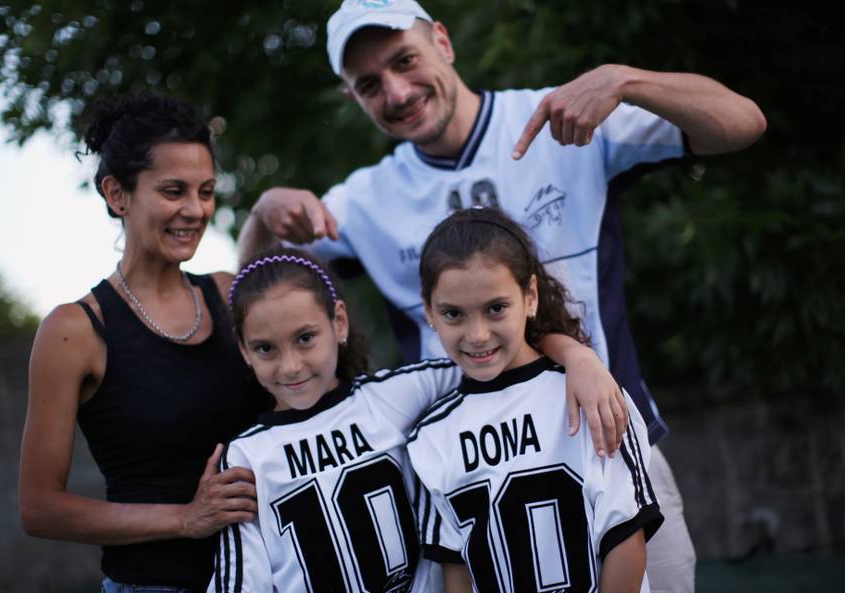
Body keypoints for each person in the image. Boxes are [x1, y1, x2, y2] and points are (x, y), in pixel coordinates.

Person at [239, 2, 767, 591]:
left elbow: (742, 123)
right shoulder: (365, 200)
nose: (396, 90)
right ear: (352, 97)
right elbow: (259, 297)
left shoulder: (559, 118)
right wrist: (263, 215)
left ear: (443, 41)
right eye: (369, 84)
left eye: (404, 60)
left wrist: (625, 79)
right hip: (469, 484)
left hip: (610, 447)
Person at [19, 93, 262, 593]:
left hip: (267, 575)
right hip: (156, 584)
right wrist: (186, 519)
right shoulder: (74, 330)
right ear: (117, 194)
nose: (195, 210)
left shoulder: (224, 291)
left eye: (207, 191)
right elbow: (40, 508)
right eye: (174, 191)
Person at [408, 207, 661, 593]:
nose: (477, 335)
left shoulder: (590, 395)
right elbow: (456, 569)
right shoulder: (431, 435)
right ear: (429, 312)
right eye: (453, 314)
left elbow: (625, 538)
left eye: (495, 308)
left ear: (530, 296)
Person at [209, 247, 462, 592]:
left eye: (305, 338)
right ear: (243, 350)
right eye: (266, 348)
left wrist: (565, 352)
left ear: (338, 322)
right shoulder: (246, 457)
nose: (291, 366)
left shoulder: (396, 395)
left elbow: (499, 358)